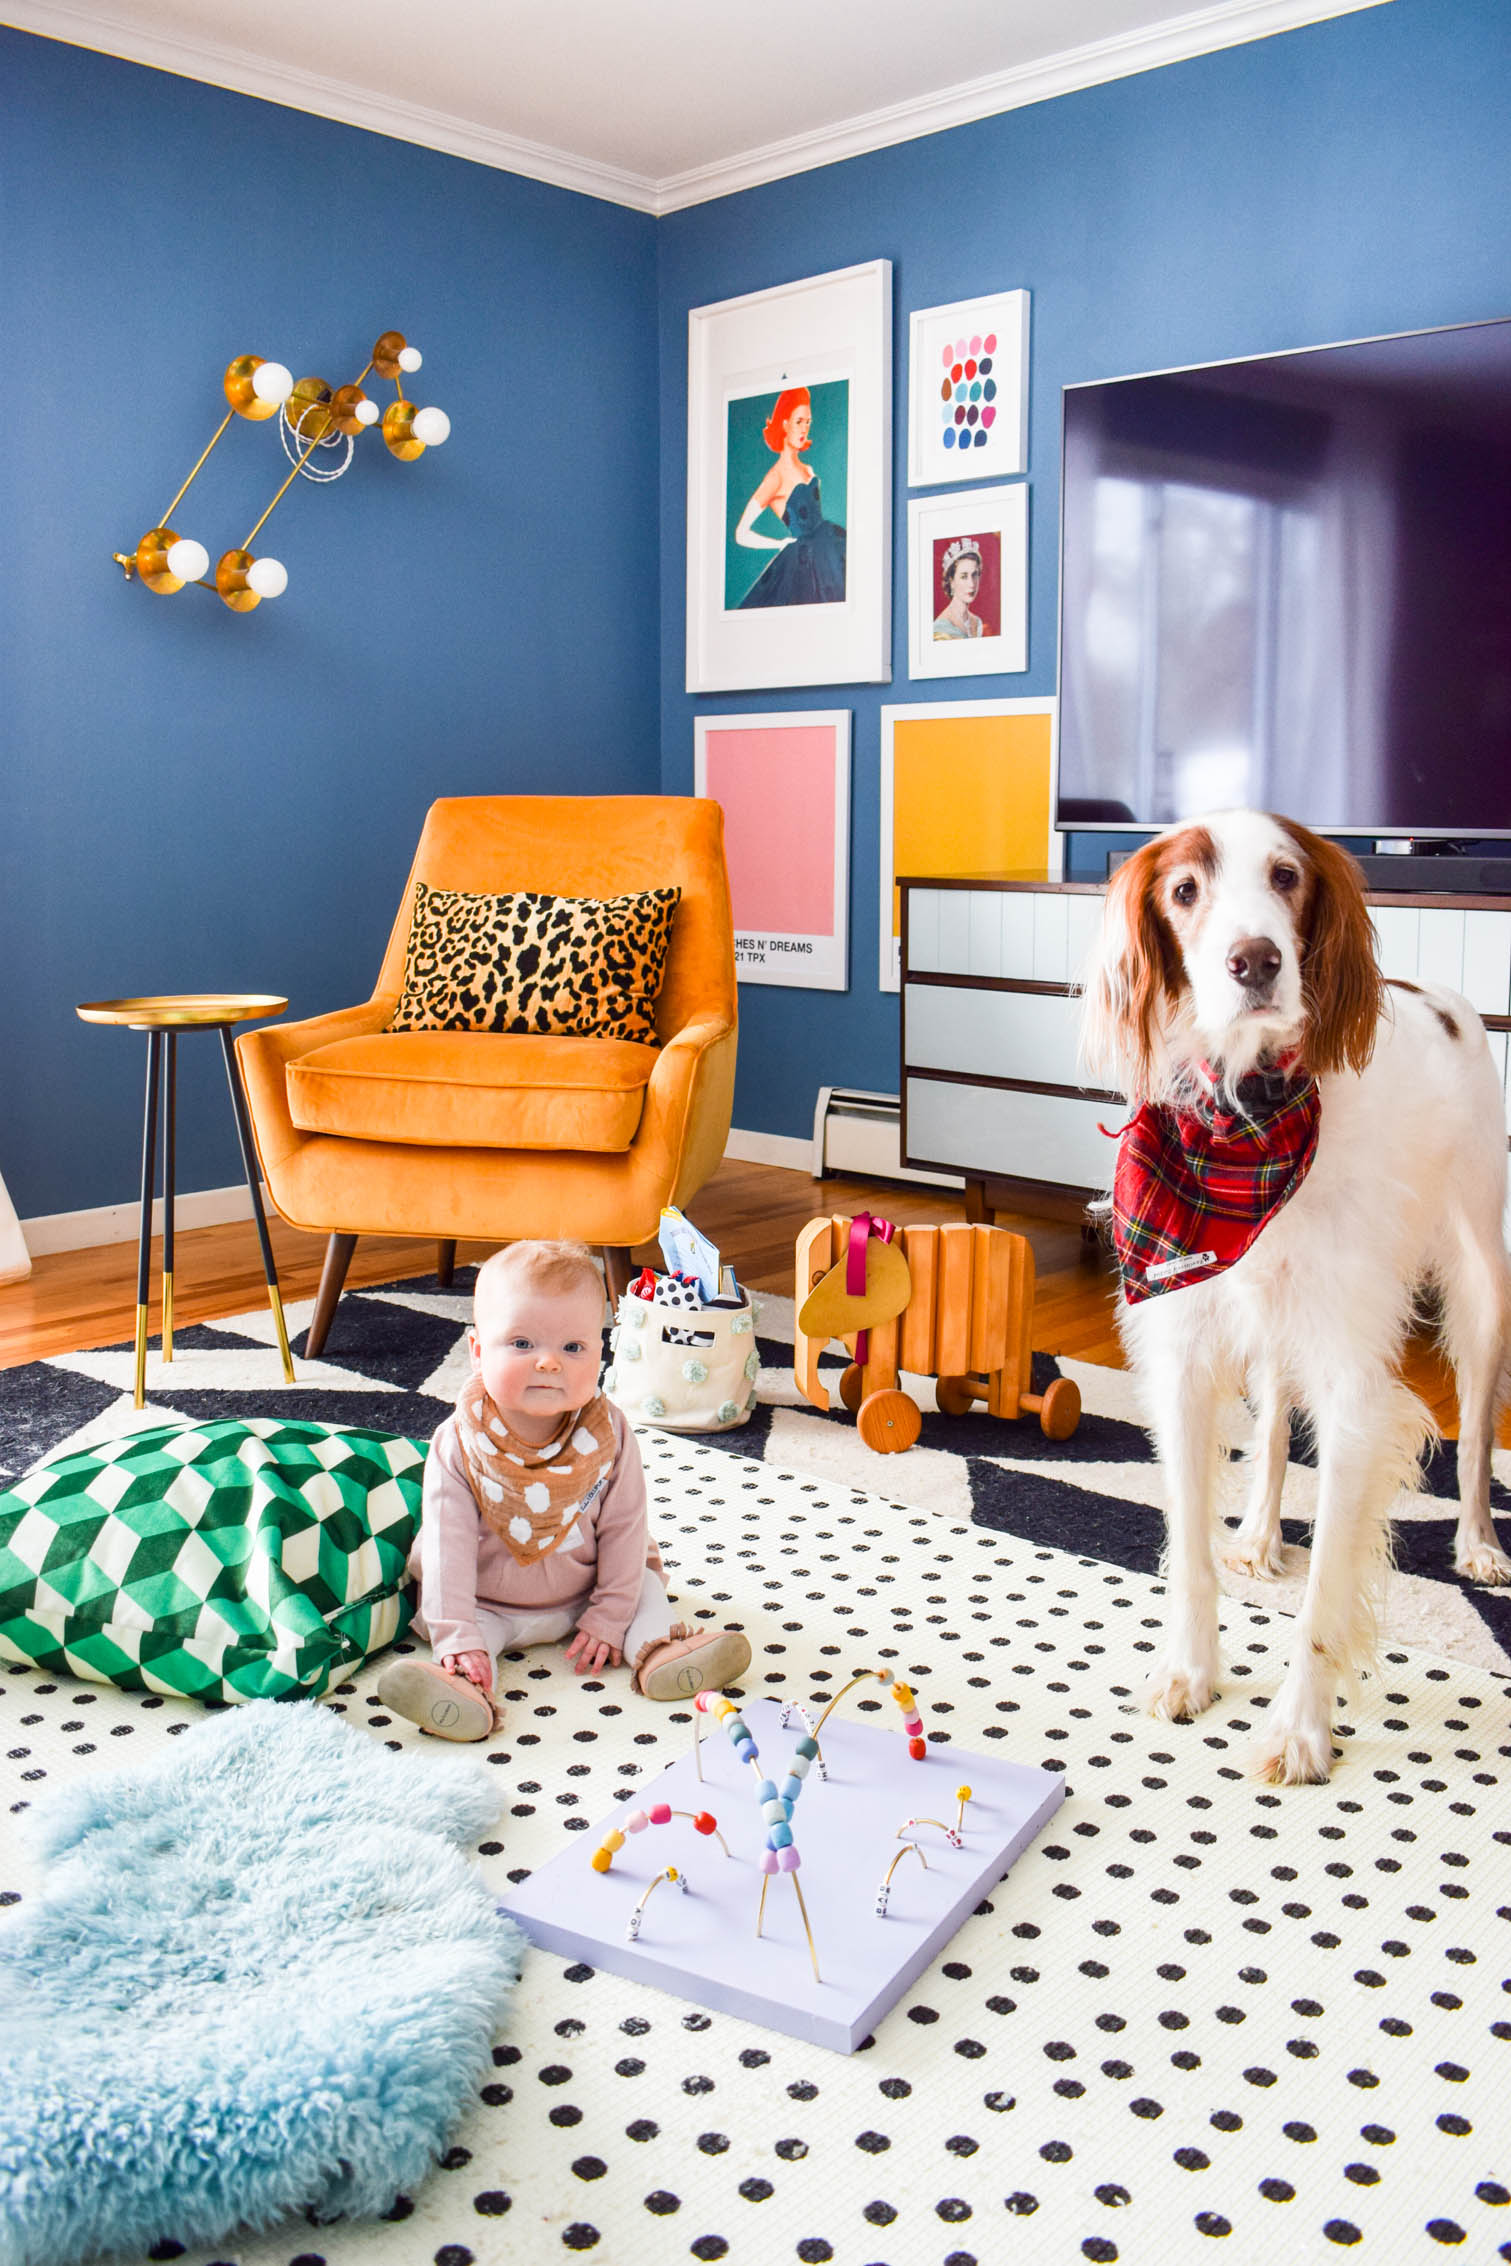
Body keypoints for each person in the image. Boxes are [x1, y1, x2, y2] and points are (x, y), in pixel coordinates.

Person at [378, 1240, 751, 1741]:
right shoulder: (460, 1441)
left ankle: (660, 1651)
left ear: (601, 1354)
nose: (549, 1362)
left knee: (641, 1588)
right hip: (490, 1601)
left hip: (587, 1590)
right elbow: (448, 1546)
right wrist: (455, 1633)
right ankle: (464, 1689)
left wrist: (610, 1613)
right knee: (468, 1640)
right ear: (477, 1351)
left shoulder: (610, 1435)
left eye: (573, 1348)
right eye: (522, 1344)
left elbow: (625, 1528)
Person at [733, 384, 846, 608]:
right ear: (784, 424)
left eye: (808, 422)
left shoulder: (809, 470)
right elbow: (741, 533)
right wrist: (778, 544)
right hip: (804, 563)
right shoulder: (774, 478)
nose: (804, 429)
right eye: (798, 422)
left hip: (832, 546)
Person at [932, 537, 986, 640]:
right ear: (951, 581)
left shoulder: (977, 622)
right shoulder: (940, 629)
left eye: (974, 575)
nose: (971, 584)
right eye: (964, 576)